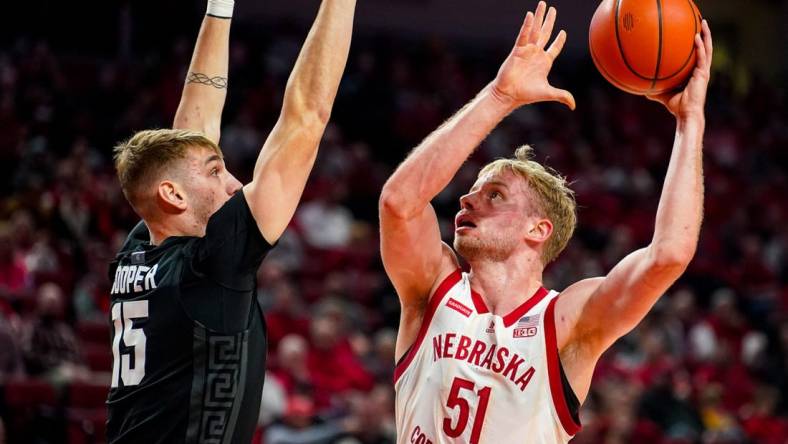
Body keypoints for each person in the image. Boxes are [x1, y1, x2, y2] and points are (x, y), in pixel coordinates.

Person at [378, 2, 712, 443]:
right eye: (474, 190)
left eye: (493, 194)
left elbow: (669, 253)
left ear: (537, 229)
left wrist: (690, 122)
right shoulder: (431, 288)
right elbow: (399, 202)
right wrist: (500, 96)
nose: (466, 197)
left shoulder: (565, 322)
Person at [106, 0, 357, 441]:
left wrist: (220, 5)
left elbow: (194, 128)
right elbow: (306, 118)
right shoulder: (208, 267)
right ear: (173, 195)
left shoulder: (139, 250)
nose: (235, 184)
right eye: (215, 171)